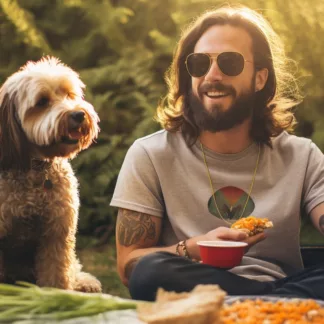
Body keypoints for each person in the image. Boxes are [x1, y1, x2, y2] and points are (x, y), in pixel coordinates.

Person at [110, 5, 324, 301]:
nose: (212, 75)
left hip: (280, 280)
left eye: (230, 63)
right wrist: (194, 247)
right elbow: (129, 267)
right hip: (200, 281)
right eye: (199, 63)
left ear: (260, 78)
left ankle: (251, 307)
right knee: (150, 271)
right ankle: (275, 307)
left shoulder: (301, 155)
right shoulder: (150, 154)